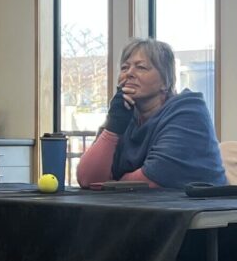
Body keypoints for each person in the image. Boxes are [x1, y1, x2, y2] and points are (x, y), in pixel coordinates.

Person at [77, 38, 227, 188]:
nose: (129, 73)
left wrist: (112, 184)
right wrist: (113, 126)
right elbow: (87, 179)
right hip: (139, 202)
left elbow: (155, 178)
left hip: (198, 202)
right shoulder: (124, 116)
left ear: (165, 82)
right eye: (124, 68)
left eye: (141, 67)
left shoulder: (189, 111)